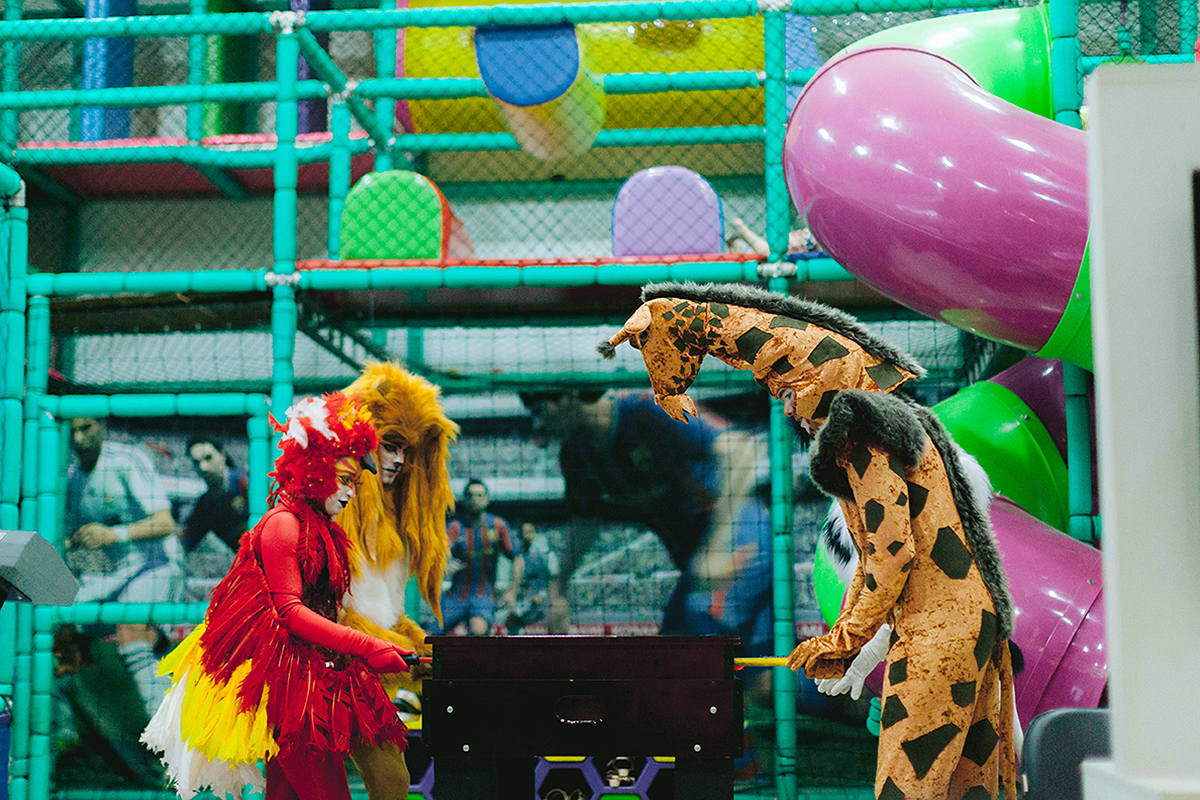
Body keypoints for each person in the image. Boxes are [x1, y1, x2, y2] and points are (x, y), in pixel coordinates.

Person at [602, 281, 1018, 800]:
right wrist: (858, 648)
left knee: (907, 788)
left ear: (819, 378)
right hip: (962, 622)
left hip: (940, 632)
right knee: (973, 789)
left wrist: (843, 641)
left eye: (787, 392)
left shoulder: (866, 436)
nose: (787, 408)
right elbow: (889, 562)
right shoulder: (888, 429)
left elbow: (892, 556)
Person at [142, 392, 415, 800]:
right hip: (290, 684)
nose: (351, 493)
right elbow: (290, 612)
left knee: (390, 780)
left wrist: (374, 647)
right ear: (313, 470)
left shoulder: (323, 527)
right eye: (344, 479)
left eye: (354, 483)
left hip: (325, 670)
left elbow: (327, 611)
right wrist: (367, 645)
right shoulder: (283, 524)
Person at [519, 389, 772, 659]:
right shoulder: (576, 455)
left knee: (699, 635)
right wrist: (558, 587)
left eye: (540, 411)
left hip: (738, 536)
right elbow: (584, 522)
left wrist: (717, 547)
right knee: (676, 649)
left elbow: (743, 451)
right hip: (697, 560)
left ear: (568, 396)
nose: (538, 425)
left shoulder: (649, 408)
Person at [335, 362, 459, 800]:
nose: (400, 460)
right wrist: (391, 650)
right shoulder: (338, 509)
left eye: (407, 450)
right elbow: (336, 611)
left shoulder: (402, 515)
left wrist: (407, 644)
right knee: (388, 782)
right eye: (389, 446)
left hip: (365, 658)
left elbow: (384, 608)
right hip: (334, 667)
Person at [63, 417, 180, 721]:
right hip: (119, 574)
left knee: (130, 627)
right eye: (72, 430)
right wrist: (74, 540)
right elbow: (68, 538)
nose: (78, 438)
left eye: (86, 428)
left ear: (101, 425)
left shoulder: (126, 460)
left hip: (158, 563)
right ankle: (72, 728)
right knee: (57, 623)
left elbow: (166, 523)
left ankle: (166, 733)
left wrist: (112, 534)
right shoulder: (73, 480)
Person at [442, 479, 523, 635]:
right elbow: (439, 556)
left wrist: (513, 591)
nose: (474, 499)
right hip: (455, 596)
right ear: (464, 499)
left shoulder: (498, 525)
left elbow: (517, 558)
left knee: (478, 631)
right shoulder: (455, 527)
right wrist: (445, 565)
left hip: (483, 596)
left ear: (487, 499)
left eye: (479, 495)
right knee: (427, 634)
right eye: (470, 495)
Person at [179, 435, 249, 596]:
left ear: (222, 455)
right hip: (254, 573)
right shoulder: (204, 507)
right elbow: (183, 544)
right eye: (196, 462)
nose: (203, 467)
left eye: (208, 458)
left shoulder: (246, 484)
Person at [503, 522, 559, 633]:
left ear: (534, 534)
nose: (525, 536)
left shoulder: (544, 554)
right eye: (523, 533)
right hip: (528, 600)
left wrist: (544, 595)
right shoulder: (520, 556)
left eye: (528, 532)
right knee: (511, 621)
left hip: (544, 600)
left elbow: (555, 579)